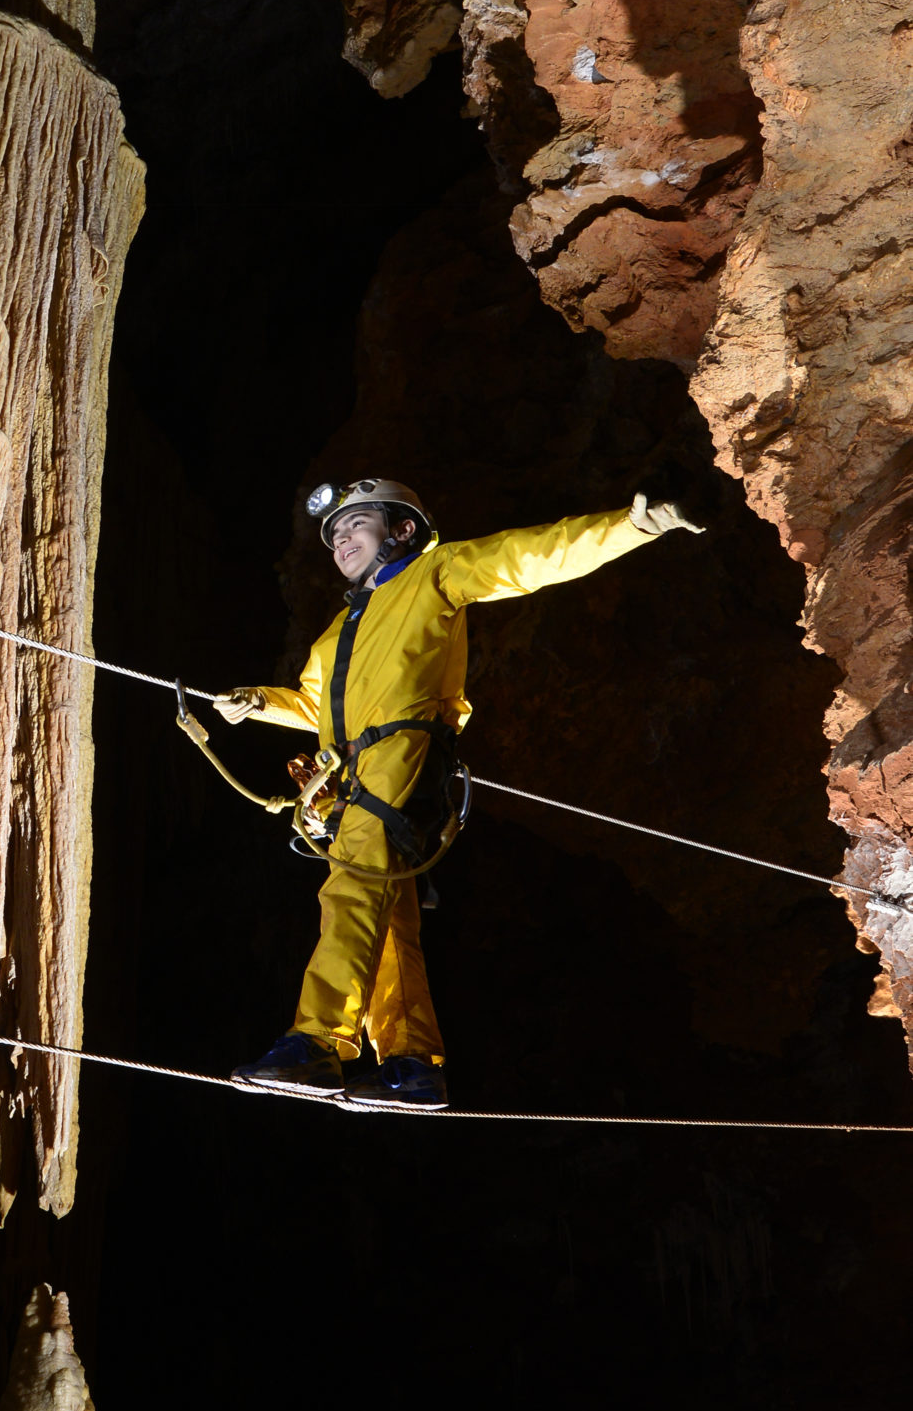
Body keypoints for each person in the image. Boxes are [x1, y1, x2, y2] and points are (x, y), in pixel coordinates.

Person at [216, 476, 701, 1111]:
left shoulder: (434, 575)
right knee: (385, 918)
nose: (339, 540)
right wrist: (258, 703)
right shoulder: (339, 630)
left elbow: (526, 557)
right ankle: (412, 1064)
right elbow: (315, 701)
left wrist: (632, 527)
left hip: (401, 761)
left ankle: (315, 1043)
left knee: (353, 892)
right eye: (333, 534)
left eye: (355, 524)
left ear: (403, 530)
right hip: (354, 778)